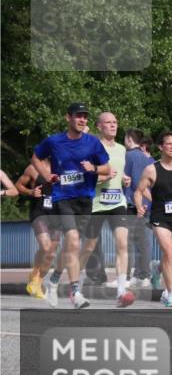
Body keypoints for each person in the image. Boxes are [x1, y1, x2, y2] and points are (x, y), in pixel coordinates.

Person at [32, 102, 110, 309]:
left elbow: (106, 167)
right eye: (78, 115)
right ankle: (75, 292)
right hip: (62, 197)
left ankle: (54, 279)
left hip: (85, 199)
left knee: (71, 247)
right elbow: (35, 157)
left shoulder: (93, 143)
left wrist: (93, 168)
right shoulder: (54, 141)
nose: (82, 119)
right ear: (68, 118)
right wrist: (47, 175)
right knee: (73, 241)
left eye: (85, 116)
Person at [76, 112, 134, 307]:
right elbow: (82, 176)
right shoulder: (92, 148)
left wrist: (125, 179)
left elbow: (121, 172)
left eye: (115, 122)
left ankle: (121, 291)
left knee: (122, 243)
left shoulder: (121, 149)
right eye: (108, 122)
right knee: (89, 247)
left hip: (118, 202)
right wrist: (103, 178)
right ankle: (76, 286)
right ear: (99, 126)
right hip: (96, 204)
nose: (113, 125)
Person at [134, 131, 172, 307]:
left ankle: (161, 275)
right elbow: (139, 192)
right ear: (161, 147)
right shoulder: (152, 169)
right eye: (169, 144)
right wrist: (139, 206)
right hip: (160, 217)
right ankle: (170, 294)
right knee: (168, 252)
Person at [15, 159, 59, 298]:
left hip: (57, 214)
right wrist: (31, 191)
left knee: (50, 253)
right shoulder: (33, 168)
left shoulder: (65, 168)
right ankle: (35, 278)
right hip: (39, 213)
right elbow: (18, 185)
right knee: (46, 247)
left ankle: (37, 281)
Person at [124, 128, 155, 287]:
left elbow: (136, 182)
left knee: (127, 241)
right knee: (144, 241)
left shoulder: (129, 155)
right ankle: (143, 275)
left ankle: (128, 277)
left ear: (129, 139)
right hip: (146, 204)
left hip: (133, 203)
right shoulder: (148, 158)